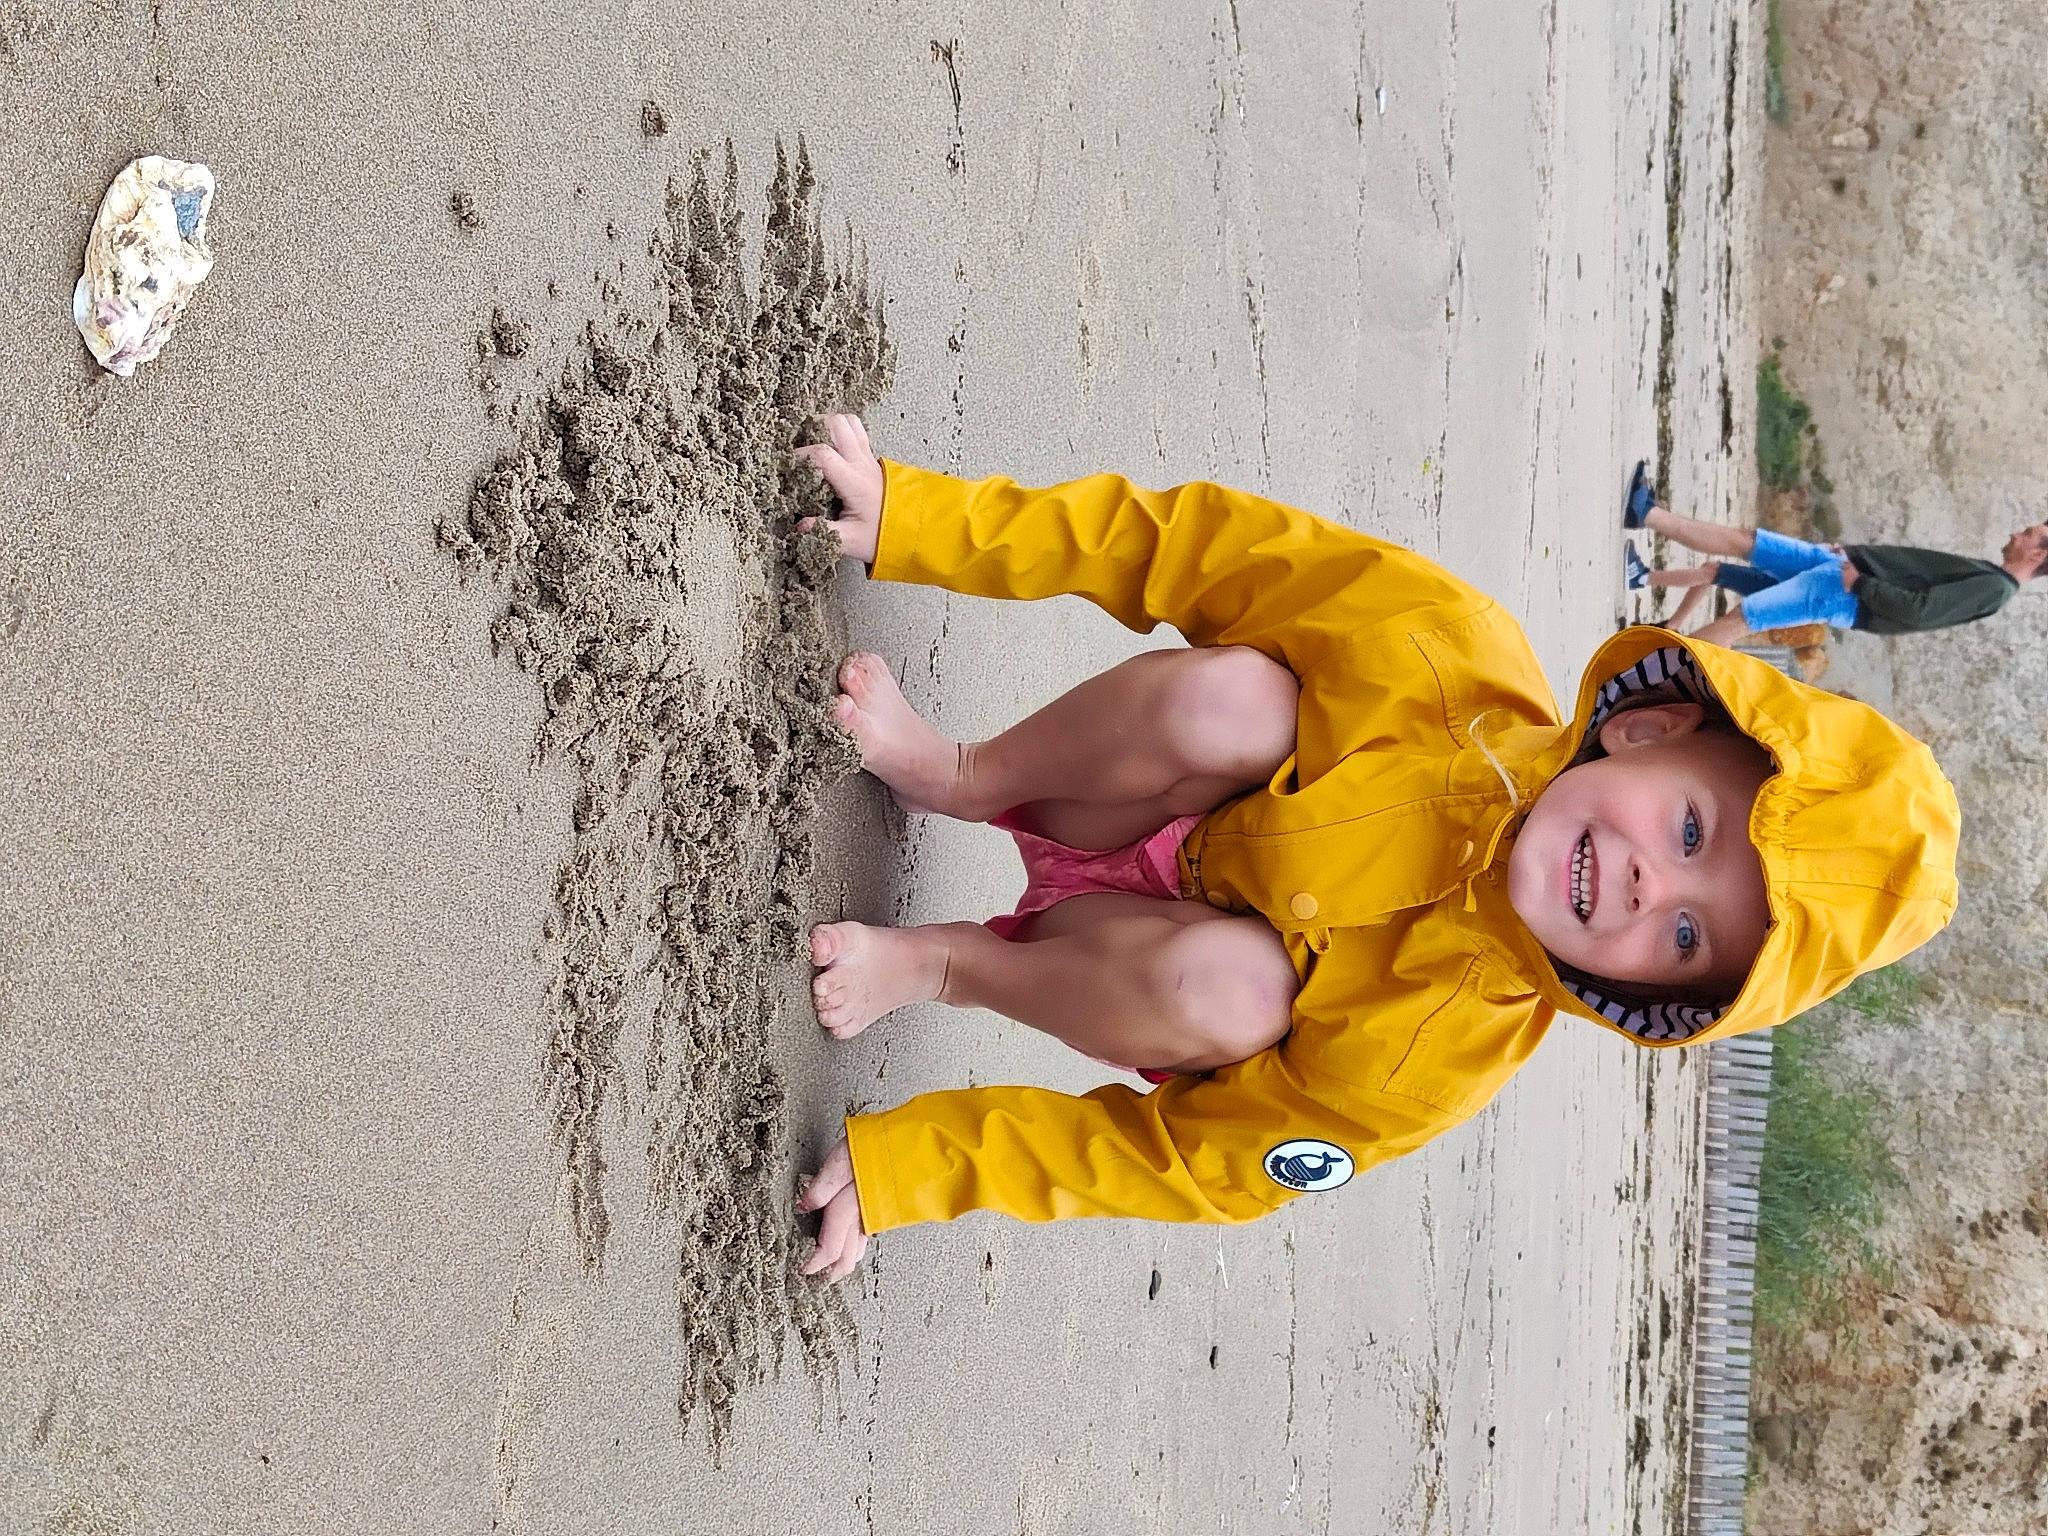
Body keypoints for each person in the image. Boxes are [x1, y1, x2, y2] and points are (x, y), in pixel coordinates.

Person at [789, 416, 1961, 1282]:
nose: (1651, 884)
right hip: (1112, 793)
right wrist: (929, 521)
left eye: (1688, 935)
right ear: (1649, 727)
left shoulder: (1438, 1058)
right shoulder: (1447, 651)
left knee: (1232, 991)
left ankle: (947, 964)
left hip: (1112, 957)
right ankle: (958, 774)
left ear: (1659, 998)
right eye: (1690, 829)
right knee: (1232, 701)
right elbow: (1198, 548)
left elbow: (1195, 1166)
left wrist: (918, 1168)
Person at [1621, 461, 2048, 644]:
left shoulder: (1995, 589)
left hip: (1844, 592)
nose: (2018, 532)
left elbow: (1921, 610)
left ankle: (1651, 674)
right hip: (1842, 567)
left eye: (2030, 533)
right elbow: (1906, 571)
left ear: (2036, 555)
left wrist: (1859, 583)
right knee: (1747, 540)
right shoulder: (1992, 577)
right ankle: (1648, 514)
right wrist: (1853, 557)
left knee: (1742, 620)